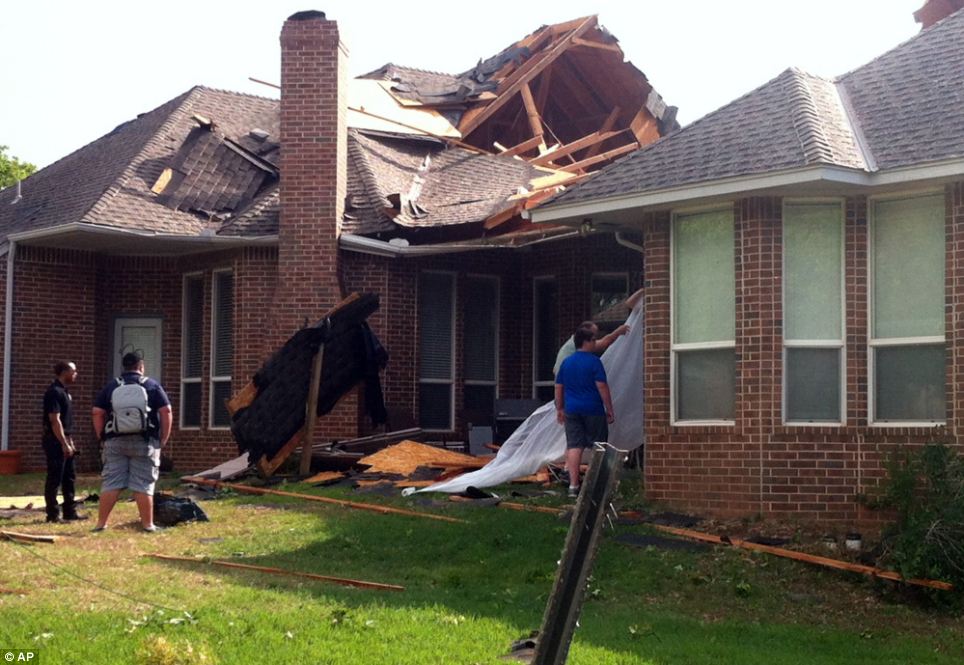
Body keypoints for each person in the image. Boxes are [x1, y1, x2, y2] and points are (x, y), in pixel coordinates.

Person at [91, 351, 172, 532]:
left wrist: (101, 436)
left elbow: (97, 412)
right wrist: (163, 437)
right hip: (145, 441)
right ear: (141, 367)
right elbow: (166, 411)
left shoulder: (112, 386)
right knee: (143, 483)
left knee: (112, 482)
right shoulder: (151, 385)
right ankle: (148, 525)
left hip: (115, 440)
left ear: (124, 368)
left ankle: (101, 524)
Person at [554, 323, 615, 498]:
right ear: (585, 342)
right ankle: (595, 485)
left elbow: (559, 387)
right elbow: (602, 386)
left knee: (574, 446)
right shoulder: (594, 362)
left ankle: (573, 486)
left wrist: (560, 408)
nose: (595, 343)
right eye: (593, 340)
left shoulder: (567, 362)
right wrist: (609, 408)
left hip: (572, 410)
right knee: (599, 446)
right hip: (593, 409)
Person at [552, 287, 645, 376]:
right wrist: (618, 332)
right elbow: (604, 343)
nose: (594, 339)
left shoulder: (574, 343)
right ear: (585, 332)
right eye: (593, 336)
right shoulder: (577, 345)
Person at [42, 361, 85, 522]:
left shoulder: (65, 392)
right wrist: (63, 443)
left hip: (65, 439)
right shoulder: (54, 392)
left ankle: (70, 511)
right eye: (73, 371)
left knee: (69, 477)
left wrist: (70, 442)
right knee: (55, 477)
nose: (76, 374)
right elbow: (55, 420)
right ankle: (52, 515)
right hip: (54, 441)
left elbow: (66, 423)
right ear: (63, 372)